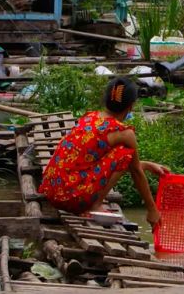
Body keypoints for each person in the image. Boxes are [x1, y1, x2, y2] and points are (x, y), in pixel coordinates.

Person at [39, 78, 169, 228]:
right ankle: (94, 205)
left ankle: (91, 201)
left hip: (52, 190)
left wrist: (145, 165)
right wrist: (152, 210)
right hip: (71, 198)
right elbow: (136, 172)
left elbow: (96, 163)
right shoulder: (124, 133)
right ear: (131, 106)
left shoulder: (90, 117)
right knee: (124, 153)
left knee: (122, 155)